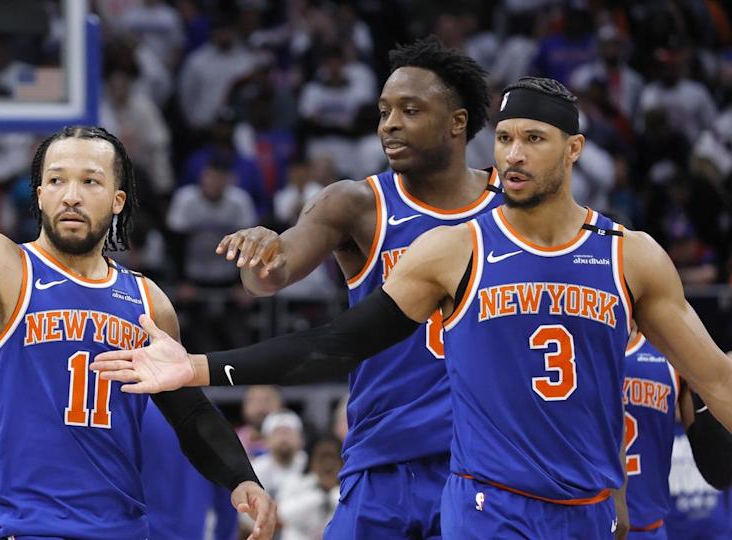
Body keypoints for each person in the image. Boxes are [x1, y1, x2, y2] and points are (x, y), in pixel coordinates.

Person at [91, 77, 732, 538]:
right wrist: (200, 366)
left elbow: (715, 378)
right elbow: (337, 343)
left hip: (588, 505)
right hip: (483, 499)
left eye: (532, 138)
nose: (512, 153)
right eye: (505, 138)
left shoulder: (629, 255)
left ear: (574, 149)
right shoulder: (453, 248)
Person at [0, 26, 275, 540]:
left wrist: (242, 477)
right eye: (57, 180)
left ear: (118, 201)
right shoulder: (1, 270)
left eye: (90, 181)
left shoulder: (149, 302)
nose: (72, 195)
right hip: (25, 530)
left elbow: (189, 408)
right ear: (38, 195)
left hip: (121, 530)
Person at [212, 36, 496, 539]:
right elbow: (272, 274)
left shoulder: (512, 209)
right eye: (384, 110)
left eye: (411, 110)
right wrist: (259, 253)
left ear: (457, 122)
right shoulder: (356, 204)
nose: (390, 124)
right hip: (383, 459)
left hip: (482, 462)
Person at [621, 331, 732, 537]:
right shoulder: (584, 350)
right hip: (586, 518)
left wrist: (703, 390)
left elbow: (720, 472)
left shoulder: (670, 353)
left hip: (649, 528)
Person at [140, 401, 238, 540]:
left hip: (142, 531)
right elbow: (229, 490)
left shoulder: (135, 411)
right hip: (192, 532)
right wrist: (225, 536)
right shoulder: (209, 413)